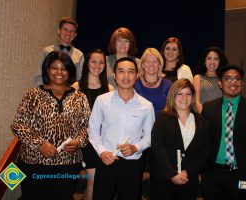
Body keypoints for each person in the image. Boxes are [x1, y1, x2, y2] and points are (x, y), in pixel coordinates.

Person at [11, 51, 90, 200]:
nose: (59, 72)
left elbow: (87, 127)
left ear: (69, 71)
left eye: (64, 68)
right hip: (35, 161)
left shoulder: (80, 97)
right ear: (47, 70)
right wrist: (40, 144)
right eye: (55, 68)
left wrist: (78, 142)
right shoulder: (33, 95)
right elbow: (18, 125)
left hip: (68, 162)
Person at [201, 65, 246, 200]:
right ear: (220, 83)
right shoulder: (208, 108)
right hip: (212, 176)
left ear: (242, 84)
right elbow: (203, 141)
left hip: (242, 175)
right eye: (228, 79)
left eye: (237, 79)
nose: (233, 82)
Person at [89, 57, 155, 200]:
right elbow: (93, 130)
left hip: (133, 163)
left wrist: (135, 147)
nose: (126, 76)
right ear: (114, 75)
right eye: (121, 71)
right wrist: (102, 152)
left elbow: (150, 136)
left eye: (131, 71)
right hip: (106, 160)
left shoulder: (146, 105)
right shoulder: (102, 100)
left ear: (137, 76)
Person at [150, 78, 210, 200]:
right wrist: (171, 174)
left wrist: (188, 172)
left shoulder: (202, 121)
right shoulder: (162, 118)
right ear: (173, 95)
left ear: (193, 96)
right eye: (180, 94)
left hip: (189, 180)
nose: (184, 98)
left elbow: (205, 151)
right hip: (163, 180)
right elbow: (157, 147)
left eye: (188, 94)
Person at [72, 49, 114, 200]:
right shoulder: (76, 87)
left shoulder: (110, 88)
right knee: (93, 182)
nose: (98, 65)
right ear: (87, 63)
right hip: (86, 141)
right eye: (94, 61)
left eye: (101, 62)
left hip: (105, 141)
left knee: (101, 183)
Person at [34, 17, 84, 86]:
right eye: (65, 29)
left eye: (72, 31)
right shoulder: (47, 51)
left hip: (70, 94)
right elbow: (39, 76)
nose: (68, 33)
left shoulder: (79, 55)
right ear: (59, 31)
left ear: (75, 35)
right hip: (49, 93)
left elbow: (79, 79)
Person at [134, 47, 172, 115]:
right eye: (147, 61)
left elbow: (171, 109)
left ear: (159, 65)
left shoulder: (168, 85)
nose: (151, 64)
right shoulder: (134, 84)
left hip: (161, 124)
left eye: (155, 61)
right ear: (142, 65)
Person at [193, 46, 228, 113]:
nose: (212, 62)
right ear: (204, 61)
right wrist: (206, 117)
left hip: (220, 118)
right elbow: (196, 102)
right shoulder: (198, 78)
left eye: (216, 59)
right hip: (203, 118)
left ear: (220, 62)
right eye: (209, 58)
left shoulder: (223, 79)